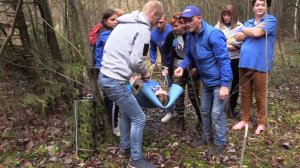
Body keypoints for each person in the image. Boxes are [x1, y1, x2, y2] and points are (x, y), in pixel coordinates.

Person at [98, 1, 164, 167]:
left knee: (128, 113)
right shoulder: (143, 30)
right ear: (153, 15)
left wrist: (136, 79)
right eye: (158, 20)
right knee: (139, 118)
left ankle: (124, 147)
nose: (157, 24)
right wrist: (146, 74)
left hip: (108, 76)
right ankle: (136, 160)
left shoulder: (125, 23)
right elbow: (136, 60)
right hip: (115, 80)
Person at [174, 5, 232, 155]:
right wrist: (183, 66)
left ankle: (221, 142)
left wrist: (225, 85)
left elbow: (224, 60)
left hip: (220, 81)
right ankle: (206, 137)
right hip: (206, 81)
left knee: (216, 112)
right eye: (184, 21)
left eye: (190, 20)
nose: (187, 24)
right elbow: (190, 55)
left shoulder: (213, 34)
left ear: (199, 18)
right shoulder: (190, 35)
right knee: (204, 110)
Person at [232, 0, 277, 135]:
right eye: (257, 5)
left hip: (261, 64)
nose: (260, 7)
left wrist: (245, 30)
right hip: (244, 63)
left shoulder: (271, 20)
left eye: (263, 5)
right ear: (253, 7)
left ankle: (261, 123)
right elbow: (238, 37)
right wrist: (249, 30)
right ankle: (245, 120)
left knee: (260, 95)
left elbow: (257, 34)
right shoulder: (248, 22)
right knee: (245, 93)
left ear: (267, 7)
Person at [163, 12, 201, 131]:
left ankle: (201, 119)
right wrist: (167, 68)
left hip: (192, 69)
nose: (173, 29)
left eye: (176, 26)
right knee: (177, 95)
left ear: (183, 24)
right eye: (172, 26)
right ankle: (180, 120)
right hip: (177, 69)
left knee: (193, 95)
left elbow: (197, 53)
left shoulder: (191, 35)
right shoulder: (171, 35)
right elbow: (166, 51)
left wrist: (196, 68)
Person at [95, 8, 123, 136]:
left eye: (117, 19)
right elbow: (115, 45)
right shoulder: (106, 34)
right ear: (105, 21)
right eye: (112, 19)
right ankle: (113, 126)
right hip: (106, 72)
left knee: (115, 99)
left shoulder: (111, 31)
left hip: (113, 71)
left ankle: (115, 124)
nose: (115, 22)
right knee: (111, 100)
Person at [215, 4, 243, 119]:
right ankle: (222, 107)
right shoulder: (217, 27)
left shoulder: (240, 26)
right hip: (222, 60)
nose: (226, 17)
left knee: (235, 85)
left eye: (229, 15)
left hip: (236, 59)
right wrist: (227, 45)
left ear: (233, 15)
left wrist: (231, 43)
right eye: (224, 15)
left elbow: (243, 43)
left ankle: (231, 109)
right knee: (223, 84)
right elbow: (215, 43)